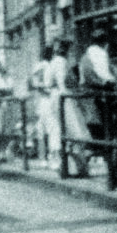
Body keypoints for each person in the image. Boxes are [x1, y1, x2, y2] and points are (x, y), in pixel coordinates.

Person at [80, 29, 117, 185]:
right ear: (103, 41)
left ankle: (112, 173)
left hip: (98, 98)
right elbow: (107, 76)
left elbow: (86, 77)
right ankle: (115, 174)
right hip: (109, 96)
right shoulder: (101, 54)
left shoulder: (86, 56)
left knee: (108, 133)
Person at [47, 39, 90, 175]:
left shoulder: (54, 62)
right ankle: (76, 167)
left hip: (56, 98)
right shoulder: (61, 62)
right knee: (75, 131)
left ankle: (69, 166)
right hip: (64, 100)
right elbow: (62, 84)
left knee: (64, 131)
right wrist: (74, 97)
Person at [29, 46, 54, 162]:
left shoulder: (48, 65)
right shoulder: (43, 65)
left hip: (46, 99)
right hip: (44, 99)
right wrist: (43, 87)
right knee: (44, 128)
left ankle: (46, 156)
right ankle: (44, 157)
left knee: (45, 128)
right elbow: (33, 81)